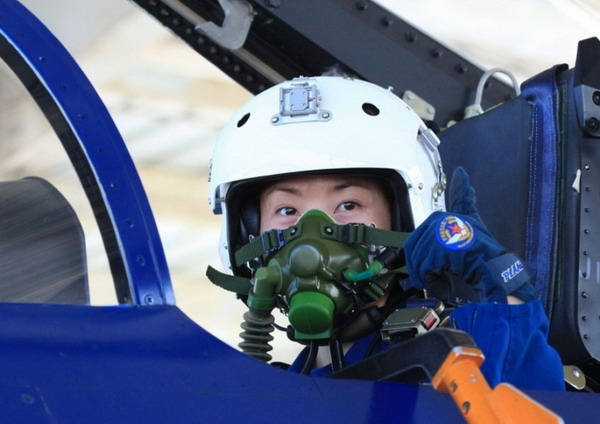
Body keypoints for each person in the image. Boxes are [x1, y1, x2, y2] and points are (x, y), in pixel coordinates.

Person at [207, 76, 564, 391]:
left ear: (404, 219)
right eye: (287, 211)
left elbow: (535, 401)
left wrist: (502, 282)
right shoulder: (269, 394)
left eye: (348, 205)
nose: (310, 243)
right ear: (248, 232)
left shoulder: (458, 345)